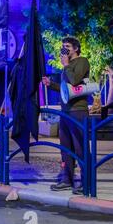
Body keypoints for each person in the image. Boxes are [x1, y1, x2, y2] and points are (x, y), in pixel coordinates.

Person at [42, 37, 90, 195]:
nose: (64, 49)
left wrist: (66, 65)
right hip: (66, 111)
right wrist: (52, 85)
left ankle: (86, 182)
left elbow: (75, 81)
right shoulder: (66, 66)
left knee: (80, 147)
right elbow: (67, 88)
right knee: (65, 148)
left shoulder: (81, 61)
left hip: (78, 111)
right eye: (63, 46)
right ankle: (67, 179)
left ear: (76, 48)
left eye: (67, 46)